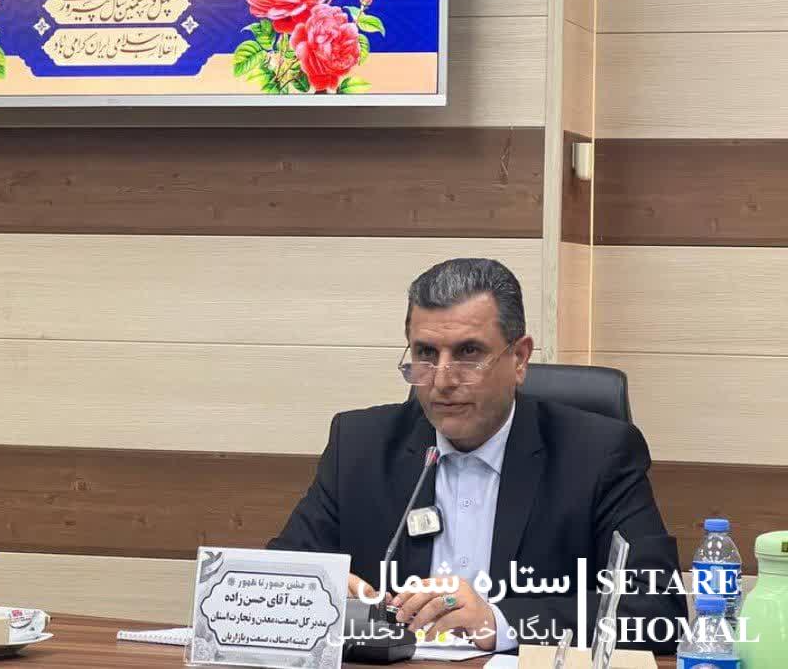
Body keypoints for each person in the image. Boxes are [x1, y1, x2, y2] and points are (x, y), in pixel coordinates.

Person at [269, 258, 686, 653]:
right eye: (425, 354)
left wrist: (497, 621)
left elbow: (657, 609)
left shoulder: (597, 454)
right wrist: (317, 589)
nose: (443, 380)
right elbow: (270, 581)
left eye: (468, 353)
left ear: (519, 358)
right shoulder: (360, 446)